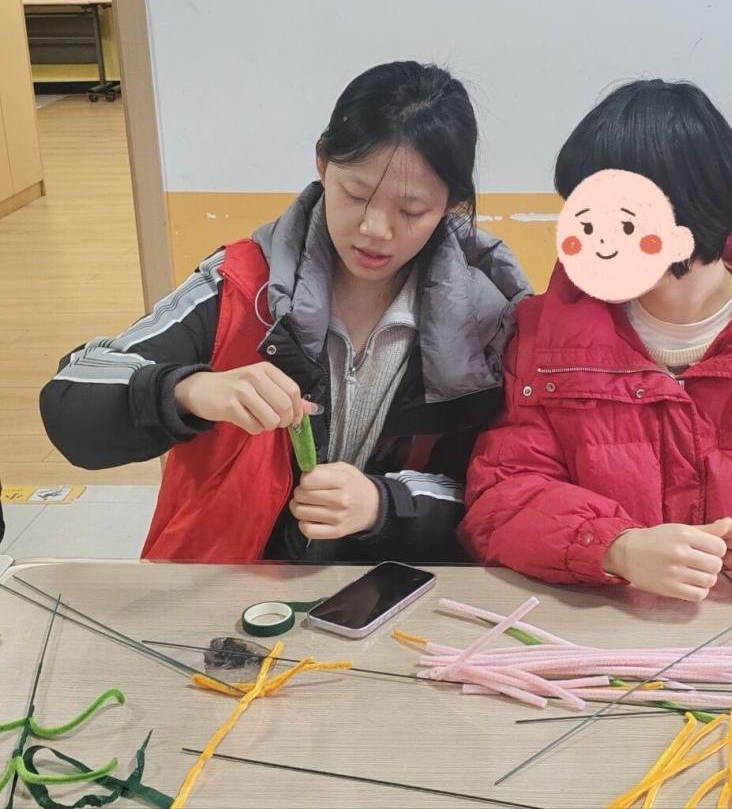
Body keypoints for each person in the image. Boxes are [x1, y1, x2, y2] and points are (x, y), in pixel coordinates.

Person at [41, 61, 530, 564]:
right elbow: (70, 396)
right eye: (356, 194)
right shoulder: (243, 283)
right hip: (235, 584)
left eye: (411, 211)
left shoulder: (488, 320)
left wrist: (387, 504)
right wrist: (189, 390)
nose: (375, 229)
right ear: (322, 163)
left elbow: (510, 489)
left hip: (401, 586)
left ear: (451, 203)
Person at [461, 79, 732, 600]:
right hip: (605, 619)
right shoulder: (546, 338)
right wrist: (615, 547)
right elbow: (501, 497)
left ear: (692, 218)